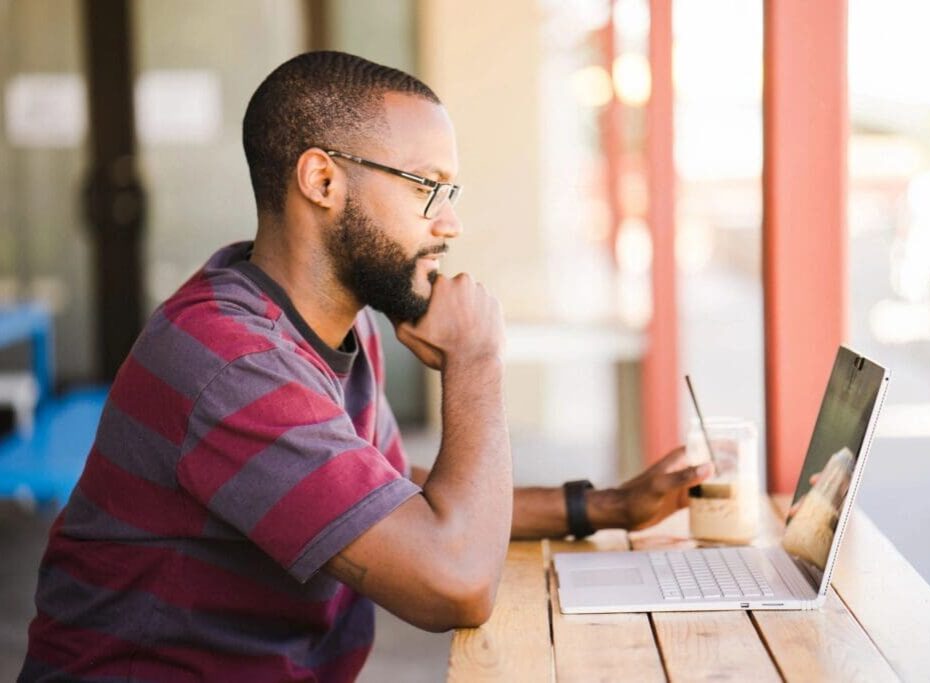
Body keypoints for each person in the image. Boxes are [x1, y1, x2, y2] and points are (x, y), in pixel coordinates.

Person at [20, 51, 712, 682]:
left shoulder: (331, 324)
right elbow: (455, 582)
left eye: (453, 193)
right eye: (427, 187)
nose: (450, 224)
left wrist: (603, 506)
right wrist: (476, 360)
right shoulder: (231, 362)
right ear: (322, 180)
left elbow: (385, 495)